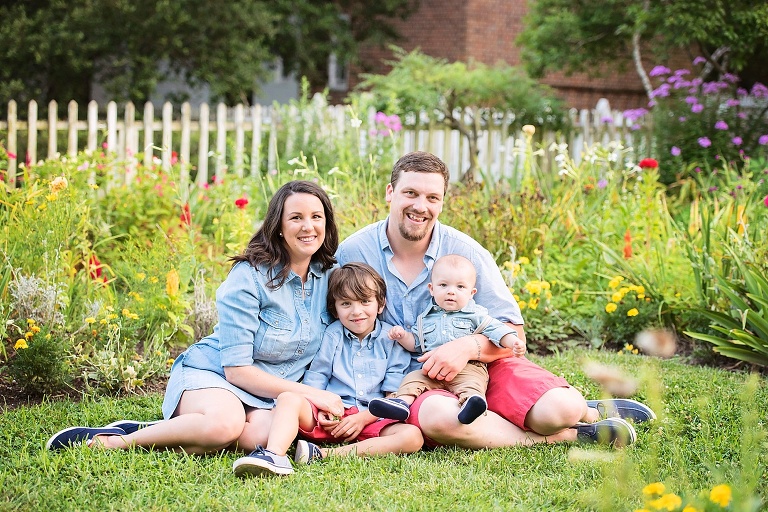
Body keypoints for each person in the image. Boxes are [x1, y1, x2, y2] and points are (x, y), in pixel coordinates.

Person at [336, 151, 656, 449]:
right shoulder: (354, 251)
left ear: (442, 202)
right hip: (414, 381)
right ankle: (570, 435)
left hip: (483, 368)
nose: (421, 206)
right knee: (442, 419)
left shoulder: (467, 253)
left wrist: (466, 347)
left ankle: (581, 412)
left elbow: (514, 335)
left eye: (432, 197)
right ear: (390, 193)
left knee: (559, 409)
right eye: (411, 193)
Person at [46, 180, 347, 470]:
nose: (308, 226)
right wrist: (313, 395)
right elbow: (236, 370)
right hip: (214, 374)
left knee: (262, 437)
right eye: (296, 217)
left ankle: (177, 429)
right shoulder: (249, 276)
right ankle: (118, 440)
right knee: (223, 426)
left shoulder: (329, 277)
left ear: (326, 224)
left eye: (316, 217)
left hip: (264, 397)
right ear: (278, 228)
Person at [232, 262, 422, 477]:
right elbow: (318, 375)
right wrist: (322, 407)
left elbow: (393, 394)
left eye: (365, 301)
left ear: (380, 305)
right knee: (288, 398)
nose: (356, 311)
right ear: (335, 308)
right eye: (346, 303)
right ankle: (274, 455)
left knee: (412, 436)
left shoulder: (392, 340)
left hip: (371, 417)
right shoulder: (332, 334)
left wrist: (363, 419)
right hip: (332, 415)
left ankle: (323, 454)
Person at [369, 254, 526, 425]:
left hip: (467, 369)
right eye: (443, 285)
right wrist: (402, 336)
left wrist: (512, 342)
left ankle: (471, 404)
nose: (451, 291)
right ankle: (401, 403)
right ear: (431, 289)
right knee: (413, 378)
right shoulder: (425, 319)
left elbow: (497, 330)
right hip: (431, 371)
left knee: (472, 384)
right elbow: (415, 344)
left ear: (471, 293)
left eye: (460, 287)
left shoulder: (476, 315)